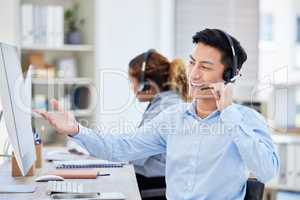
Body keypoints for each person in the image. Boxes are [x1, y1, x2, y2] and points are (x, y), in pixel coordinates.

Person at [37, 28, 279, 200]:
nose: (193, 74)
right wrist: (76, 130)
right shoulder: (172, 118)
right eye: (192, 62)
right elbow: (121, 148)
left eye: (205, 67)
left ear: (229, 76)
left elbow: (267, 171)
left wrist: (228, 113)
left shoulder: (247, 121)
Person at [127, 50, 188, 199]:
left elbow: (135, 153)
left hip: (156, 186)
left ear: (144, 84)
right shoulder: (163, 103)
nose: (132, 88)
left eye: (132, 82)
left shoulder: (166, 108)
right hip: (154, 182)